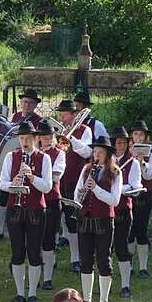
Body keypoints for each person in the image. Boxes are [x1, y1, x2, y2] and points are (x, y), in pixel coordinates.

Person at [0, 121, 53, 302]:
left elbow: (47, 187)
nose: (25, 142)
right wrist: (13, 184)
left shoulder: (44, 158)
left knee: (34, 251)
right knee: (17, 251)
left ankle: (32, 293)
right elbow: (2, 184)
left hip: (36, 210)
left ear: (35, 139)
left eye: (28, 138)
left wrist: (31, 177)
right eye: (22, 138)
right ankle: (20, 292)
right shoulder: (10, 157)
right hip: (14, 210)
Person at [75, 136, 121, 302]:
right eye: (95, 152)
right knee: (85, 259)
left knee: (104, 259)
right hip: (85, 219)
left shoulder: (116, 172)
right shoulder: (87, 169)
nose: (96, 155)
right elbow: (77, 192)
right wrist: (80, 193)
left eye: (100, 152)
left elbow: (114, 200)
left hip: (103, 220)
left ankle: (103, 300)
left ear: (108, 154)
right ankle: (86, 300)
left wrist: (95, 189)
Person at [0, 88, 44, 243]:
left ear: (35, 105)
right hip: (12, 158)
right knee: (4, 195)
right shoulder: (14, 116)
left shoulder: (39, 121)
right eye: (24, 102)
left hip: (30, 160)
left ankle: (26, 227)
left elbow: (40, 143)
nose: (26, 105)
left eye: (30, 103)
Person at [55, 100, 93, 273]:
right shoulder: (58, 131)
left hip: (75, 179)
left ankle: (75, 258)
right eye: (60, 114)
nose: (61, 118)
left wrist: (71, 139)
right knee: (56, 217)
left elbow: (87, 152)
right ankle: (51, 256)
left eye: (64, 114)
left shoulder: (85, 130)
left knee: (73, 219)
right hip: (58, 179)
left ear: (73, 115)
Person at [110, 127, 139, 299]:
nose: (119, 145)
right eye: (116, 142)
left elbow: (135, 185)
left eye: (122, 142)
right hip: (107, 211)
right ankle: (106, 284)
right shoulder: (108, 161)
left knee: (122, 248)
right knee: (105, 250)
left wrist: (118, 188)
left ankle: (125, 285)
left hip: (123, 211)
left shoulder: (133, 162)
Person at [127, 121, 152, 279]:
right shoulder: (126, 150)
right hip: (129, 193)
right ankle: (129, 265)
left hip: (144, 195)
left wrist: (141, 162)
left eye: (140, 134)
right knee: (129, 230)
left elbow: (149, 175)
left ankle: (143, 267)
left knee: (142, 229)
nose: (137, 137)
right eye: (135, 134)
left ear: (146, 137)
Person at [37, 119, 66, 291]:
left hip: (52, 199)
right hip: (34, 201)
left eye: (50, 137)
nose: (48, 140)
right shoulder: (32, 153)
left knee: (48, 239)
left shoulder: (59, 153)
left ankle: (47, 277)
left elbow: (56, 176)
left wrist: (35, 176)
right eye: (44, 137)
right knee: (35, 239)